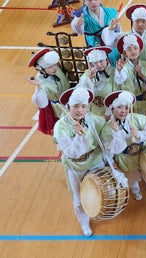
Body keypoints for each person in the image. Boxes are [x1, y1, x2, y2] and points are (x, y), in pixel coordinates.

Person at [53, 87, 107, 237]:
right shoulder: (60, 127)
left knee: (102, 190)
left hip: (95, 161)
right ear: (68, 106)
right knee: (79, 200)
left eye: (83, 106)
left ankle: (98, 211)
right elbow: (72, 153)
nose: (79, 110)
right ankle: (84, 222)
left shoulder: (93, 119)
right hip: (76, 167)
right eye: (76, 106)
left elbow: (105, 134)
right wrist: (79, 136)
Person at [101, 90, 146, 200]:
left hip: (142, 152)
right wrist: (117, 133)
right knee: (132, 177)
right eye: (119, 107)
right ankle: (135, 190)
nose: (123, 111)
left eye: (126, 108)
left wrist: (139, 134)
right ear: (112, 108)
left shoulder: (136, 118)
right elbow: (110, 149)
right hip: (125, 158)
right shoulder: (107, 129)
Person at [114, 33, 146, 139]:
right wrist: (119, 70)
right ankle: (142, 137)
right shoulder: (124, 68)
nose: (133, 51)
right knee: (138, 122)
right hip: (135, 104)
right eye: (129, 49)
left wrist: (141, 75)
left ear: (139, 50)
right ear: (125, 53)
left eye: (135, 48)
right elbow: (120, 80)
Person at [71, 0, 121, 64]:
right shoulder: (81, 15)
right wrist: (77, 25)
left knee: (114, 58)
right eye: (89, 0)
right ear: (84, 2)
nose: (93, 2)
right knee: (98, 63)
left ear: (100, 0)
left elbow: (118, 30)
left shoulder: (111, 12)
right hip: (94, 43)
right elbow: (79, 31)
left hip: (109, 42)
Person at [26, 48, 71, 135]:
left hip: (70, 100)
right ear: (40, 69)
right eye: (50, 67)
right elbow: (38, 101)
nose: (54, 68)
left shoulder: (56, 70)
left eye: (55, 64)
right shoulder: (41, 83)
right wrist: (38, 86)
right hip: (60, 109)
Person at [77, 46, 116, 117]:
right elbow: (80, 90)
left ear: (107, 60)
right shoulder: (88, 73)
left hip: (110, 111)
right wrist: (89, 79)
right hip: (93, 112)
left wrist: (108, 113)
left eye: (101, 61)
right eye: (95, 62)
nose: (98, 65)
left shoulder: (115, 72)